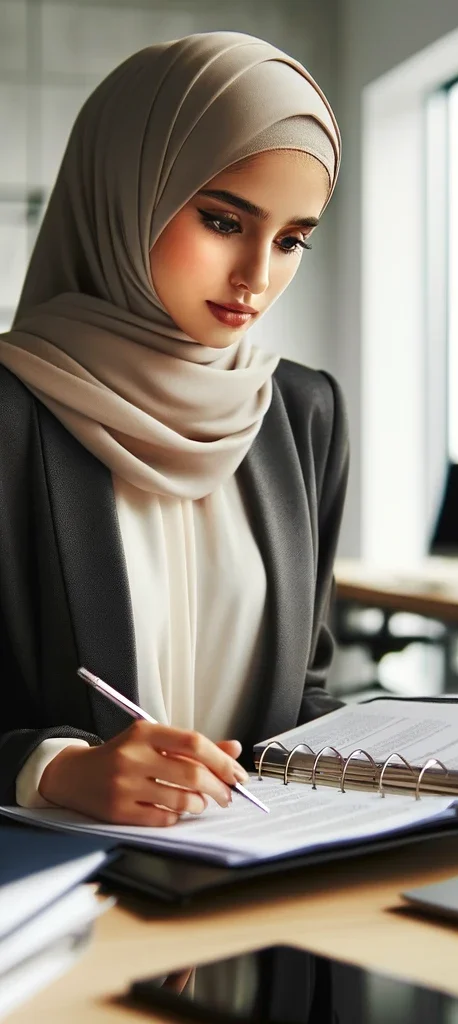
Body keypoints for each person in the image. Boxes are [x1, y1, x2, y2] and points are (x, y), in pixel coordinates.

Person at [0, 31, 347, 826]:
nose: (258, 278)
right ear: (129, 189)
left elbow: (305, 687)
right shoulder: (12, 413)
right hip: (78, 915)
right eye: (225, 221)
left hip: (267, 908)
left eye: (292, 239)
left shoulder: (302, 415)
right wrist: (52, 770)